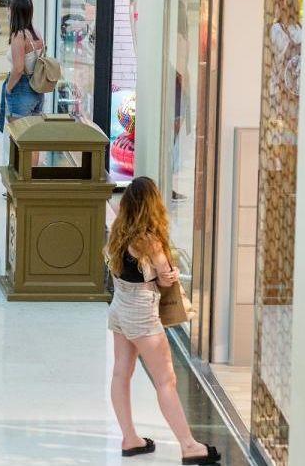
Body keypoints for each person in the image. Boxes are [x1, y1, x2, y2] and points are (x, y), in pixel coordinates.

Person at [103, 177, 220, 464]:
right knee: (166, 380)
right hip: (142, 314)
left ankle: (130, 439)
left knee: (121, 373)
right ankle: (189, 446)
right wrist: (168, 274)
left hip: (119, 307)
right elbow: (166, 275)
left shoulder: (118, 230)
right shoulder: (149, 240)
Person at [0, 0, 45, 132]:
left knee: (19, 135)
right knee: (34, 137)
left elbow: (18, 68)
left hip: (21, 89)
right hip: (37, 88)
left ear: (15, 12)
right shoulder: (36, 32)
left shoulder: (19, 36)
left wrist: (9, 87)